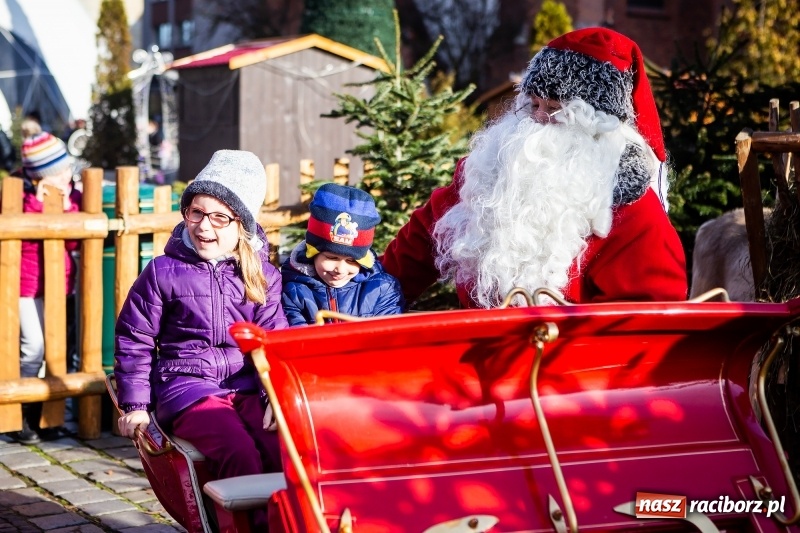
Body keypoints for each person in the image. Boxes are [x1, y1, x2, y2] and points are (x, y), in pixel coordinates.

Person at [381, 27, 688, 308]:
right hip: (473, 358)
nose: (538, 119)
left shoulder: (632, 214)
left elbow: (646, 325)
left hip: (565, 365)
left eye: (554, 109)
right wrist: (361, 295)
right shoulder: (492, 173)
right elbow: (419, 243)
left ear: (597, 125)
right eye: (533, 104)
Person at [114, 150, 288, 527]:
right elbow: (135, 337)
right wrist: (135, 404)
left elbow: (272, 342)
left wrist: (277, 395)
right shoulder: (164, 272)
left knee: (283, 448)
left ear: (241, 224)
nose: (204, 226)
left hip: (246, 385)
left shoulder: (262, 276)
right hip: (186, 385)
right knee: (238, 451)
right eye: (196, 212)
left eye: (219, 217)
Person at [13, 132, 82, 444]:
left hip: (61, 285)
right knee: (33, 348)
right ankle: (21, 414)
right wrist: (39, 205)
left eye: (66, 168)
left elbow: (72, 240)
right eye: (59, 172)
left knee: (56, 351)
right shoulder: (21, 197)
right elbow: (24, 238)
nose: (66, 175)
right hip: (25, 287)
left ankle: (49, 416)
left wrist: (67, 206)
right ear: (41, 177)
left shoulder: (72, 196)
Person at [281, 183, 405, 325]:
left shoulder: (383, 288)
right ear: (312, 252)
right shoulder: (293, 289)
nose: (340, 269)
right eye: (332, 258)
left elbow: (386, 337)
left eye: (351, 260)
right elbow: (296, 337)